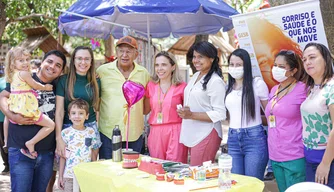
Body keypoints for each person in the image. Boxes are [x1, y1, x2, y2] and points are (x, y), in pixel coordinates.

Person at [0, 50, 66, 192]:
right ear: (41, 62)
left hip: (46, 152)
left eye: (58, 65)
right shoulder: (24, 77)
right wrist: (12, 116)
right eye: (49, 61)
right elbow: (2, 97)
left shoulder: (59, 85)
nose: (52, 66)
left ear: (61, 71)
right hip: (20, 148)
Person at [47, 46, 102, 191]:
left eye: (86, 59)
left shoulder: (96, 82)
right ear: (73, 61)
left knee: (87, 169)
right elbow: (59, 111)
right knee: (60, 169)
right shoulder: (63, 81)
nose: (83, 62)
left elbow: (97, 109)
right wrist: (59, 138)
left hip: (89, 129)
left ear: (91, 62)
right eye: (79, 58)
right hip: (66, 128)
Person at [97, 36, 150, 159]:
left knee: (132, 172)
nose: (124, 55)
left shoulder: (144, 74)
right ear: (116, 52)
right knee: (108, 171)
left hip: (135, 134)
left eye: (129, 51)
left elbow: (146, 106)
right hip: (108, 133)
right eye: (121, 51)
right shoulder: (102, 71)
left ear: (136, 54)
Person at [177, 41, 226, 166]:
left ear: (211, 58)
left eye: (200, 57)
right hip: (193, 131)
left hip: (207, 133)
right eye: (194, 56)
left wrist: (191, 115)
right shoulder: (197, 75)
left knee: (199, 174)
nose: (196, 60)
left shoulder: (215, 81)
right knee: (195, 172)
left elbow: (220, 114)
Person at [265, 50, 306, 191]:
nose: (276, 69)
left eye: (281, 67)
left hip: (295, 155)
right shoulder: (274, 89)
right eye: (275, 65)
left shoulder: (303, 89)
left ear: (293, 70)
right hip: (275, 154)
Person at [225, 48, 269, 180]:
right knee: (236, 183)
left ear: (247, 66)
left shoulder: (257, 84)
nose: (234, 68)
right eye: (232, 64)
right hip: (232, 138)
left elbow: (270, 114)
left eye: (238, 65)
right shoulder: (228, 86)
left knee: (252, 184)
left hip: (254, 138)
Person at [4, 47, 55, 159]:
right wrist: (46, 87)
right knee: (51, 125)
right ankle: (31, 143)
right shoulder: (24, 74)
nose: (25, 63)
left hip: (17, 108)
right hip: (26, 109)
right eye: (21, 60)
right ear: (13, 63)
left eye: (27, 59)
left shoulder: (13, 75)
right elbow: (35, 85)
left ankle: (8, 142)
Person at [144, 51, 187, 163]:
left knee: (175, 167)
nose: (159, 68)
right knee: (157, 166)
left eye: (164, 64)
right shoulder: (150, 85)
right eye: (157, 65)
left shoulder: (182, 87)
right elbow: (146, 109)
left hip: (176, 130)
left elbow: (188, 111)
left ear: (172, 67)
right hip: (155, 132)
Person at [301, 42, 334, 188]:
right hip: (310, 157)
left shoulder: (332, 87)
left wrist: (326, 163)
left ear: (326, 59)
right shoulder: (312, 89)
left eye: (312, 57)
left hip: (328, 160)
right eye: (304, 59)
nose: (307, 62)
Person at [246, 17, 303, 90]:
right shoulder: (272, 93)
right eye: (263, 62)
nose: (274, 66)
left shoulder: (303, 88)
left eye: (277, 55)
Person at [58, 99, 98, 191]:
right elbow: (63, 156)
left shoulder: (91, 132)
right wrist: (60, 176)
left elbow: (92, 153)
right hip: (69, 175)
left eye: (81, 113)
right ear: (69, 116)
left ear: (87, 116)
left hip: (86, 175)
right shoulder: (65, 133)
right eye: (73, 113)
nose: (77, 116)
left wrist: (94, 171)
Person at [0, 71, 8, 174]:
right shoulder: (1, 81)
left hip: (18, 117)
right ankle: (7, 165)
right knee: (3, 143)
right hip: (1, 118)